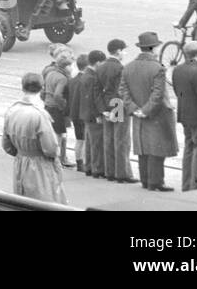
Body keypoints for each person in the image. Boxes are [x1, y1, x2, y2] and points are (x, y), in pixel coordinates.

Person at [119, 30, 178, 192]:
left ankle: (145, 180)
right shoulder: (157, 68)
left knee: (143, 149)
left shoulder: (128, 67)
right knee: (157, 150)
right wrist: (145, 110)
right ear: (153, 48)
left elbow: (123, 91)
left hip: (137, 113)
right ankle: (156, 182)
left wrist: (134, 109)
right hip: (155, 115)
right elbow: (158, 94)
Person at [2, 73, 68, 204]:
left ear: (23, 87)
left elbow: (6, 145)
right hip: (40, 165)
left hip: (21, 163)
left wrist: (21, 152)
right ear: (42, 88)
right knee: (45, 201)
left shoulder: (12, 110)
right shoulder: (40, 115)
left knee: (22, 201)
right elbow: (51, 149)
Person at [171, 40, 197, 190]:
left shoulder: (178, 69)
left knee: (189, 150)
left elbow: (178, 92)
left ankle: (187, 183)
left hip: (185, 115)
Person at [97, 38, 135, 183]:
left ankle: (110, 172)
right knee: (122, 140)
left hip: (106, 106)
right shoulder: (120, 68)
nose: (124, 53)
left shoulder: (101, 67)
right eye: (124, 50)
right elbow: (121, 91)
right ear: (118, 51)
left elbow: (97, 91)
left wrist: (103, 110)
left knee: (108, 139)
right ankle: (122, 173)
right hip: (118, 106)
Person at [41, 45, 74, 169]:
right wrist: (64, 107)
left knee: (53, 133)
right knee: (61, 134)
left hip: (48, 105)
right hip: (58, 108)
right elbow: (58, 95)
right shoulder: (62, 77)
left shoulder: (49, 72)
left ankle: (56, 156)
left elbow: (43, 91)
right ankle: (61, 158)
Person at [77, 50, 107, 178]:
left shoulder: (85, 75)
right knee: (96, 143)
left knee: (90, 142)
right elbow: (93, 98)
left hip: (85, 113)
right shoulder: (92, 77)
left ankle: (89, 166)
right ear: (98, 62)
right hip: (92, 115)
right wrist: (98, 115)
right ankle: (97, 169)